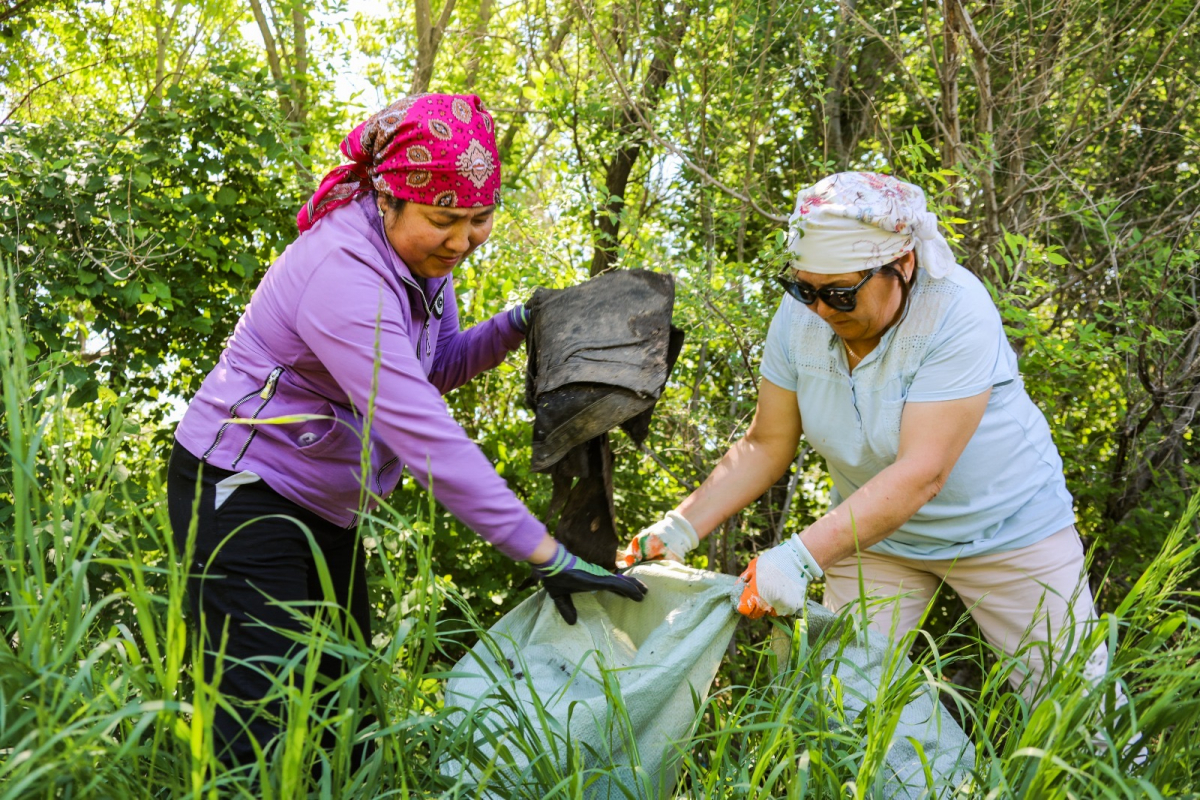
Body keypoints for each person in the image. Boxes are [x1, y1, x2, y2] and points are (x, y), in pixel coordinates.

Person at [166, 94, 646, 765]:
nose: (463, 240)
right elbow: (424, 434)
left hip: (324, 506)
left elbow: (436, 365)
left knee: (343, 715)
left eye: (480, 219)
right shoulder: (343, 274)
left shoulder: (421, 264)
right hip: (243, 490)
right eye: (444, 219)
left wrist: (516, 323)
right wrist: (544, 553)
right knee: (258, 729)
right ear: (387, 198)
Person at [620, 171, 1107, 703]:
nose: (821, 309)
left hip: (1006, 532)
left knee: (1075, 708)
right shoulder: (802, 316)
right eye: (803, 288)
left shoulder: (956, 312)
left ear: (903, 265)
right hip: (874, 539)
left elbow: (923, 473)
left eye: (840, 294)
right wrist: (681, 527)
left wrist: (799, 558)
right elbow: (767, 442)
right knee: (836, 708)